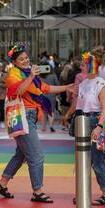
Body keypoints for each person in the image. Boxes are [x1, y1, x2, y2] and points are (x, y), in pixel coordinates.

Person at [0, 45, 74, 203]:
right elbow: (18, 91)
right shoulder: (13, 74)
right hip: (23, 116)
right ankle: (37, 191)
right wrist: (31, 76)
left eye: (26, 57)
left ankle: (2, 184)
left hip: (29, 116)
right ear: (14, 62)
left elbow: (45, 88)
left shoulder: (28, 73)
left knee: (21, 155)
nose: (26, 60)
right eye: (21, 59)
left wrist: (66, 87)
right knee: (37, 156)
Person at [63, 46, 105, 205]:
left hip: (95, 121)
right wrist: (67, 115)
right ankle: (83, 191)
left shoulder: (100, 83)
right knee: (82, 159)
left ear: (93, 65)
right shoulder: (84, 82)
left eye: (84, 64)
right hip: (82, 121)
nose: (81, 66)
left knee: (98, 160)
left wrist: (99, 127)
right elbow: (77, 103)